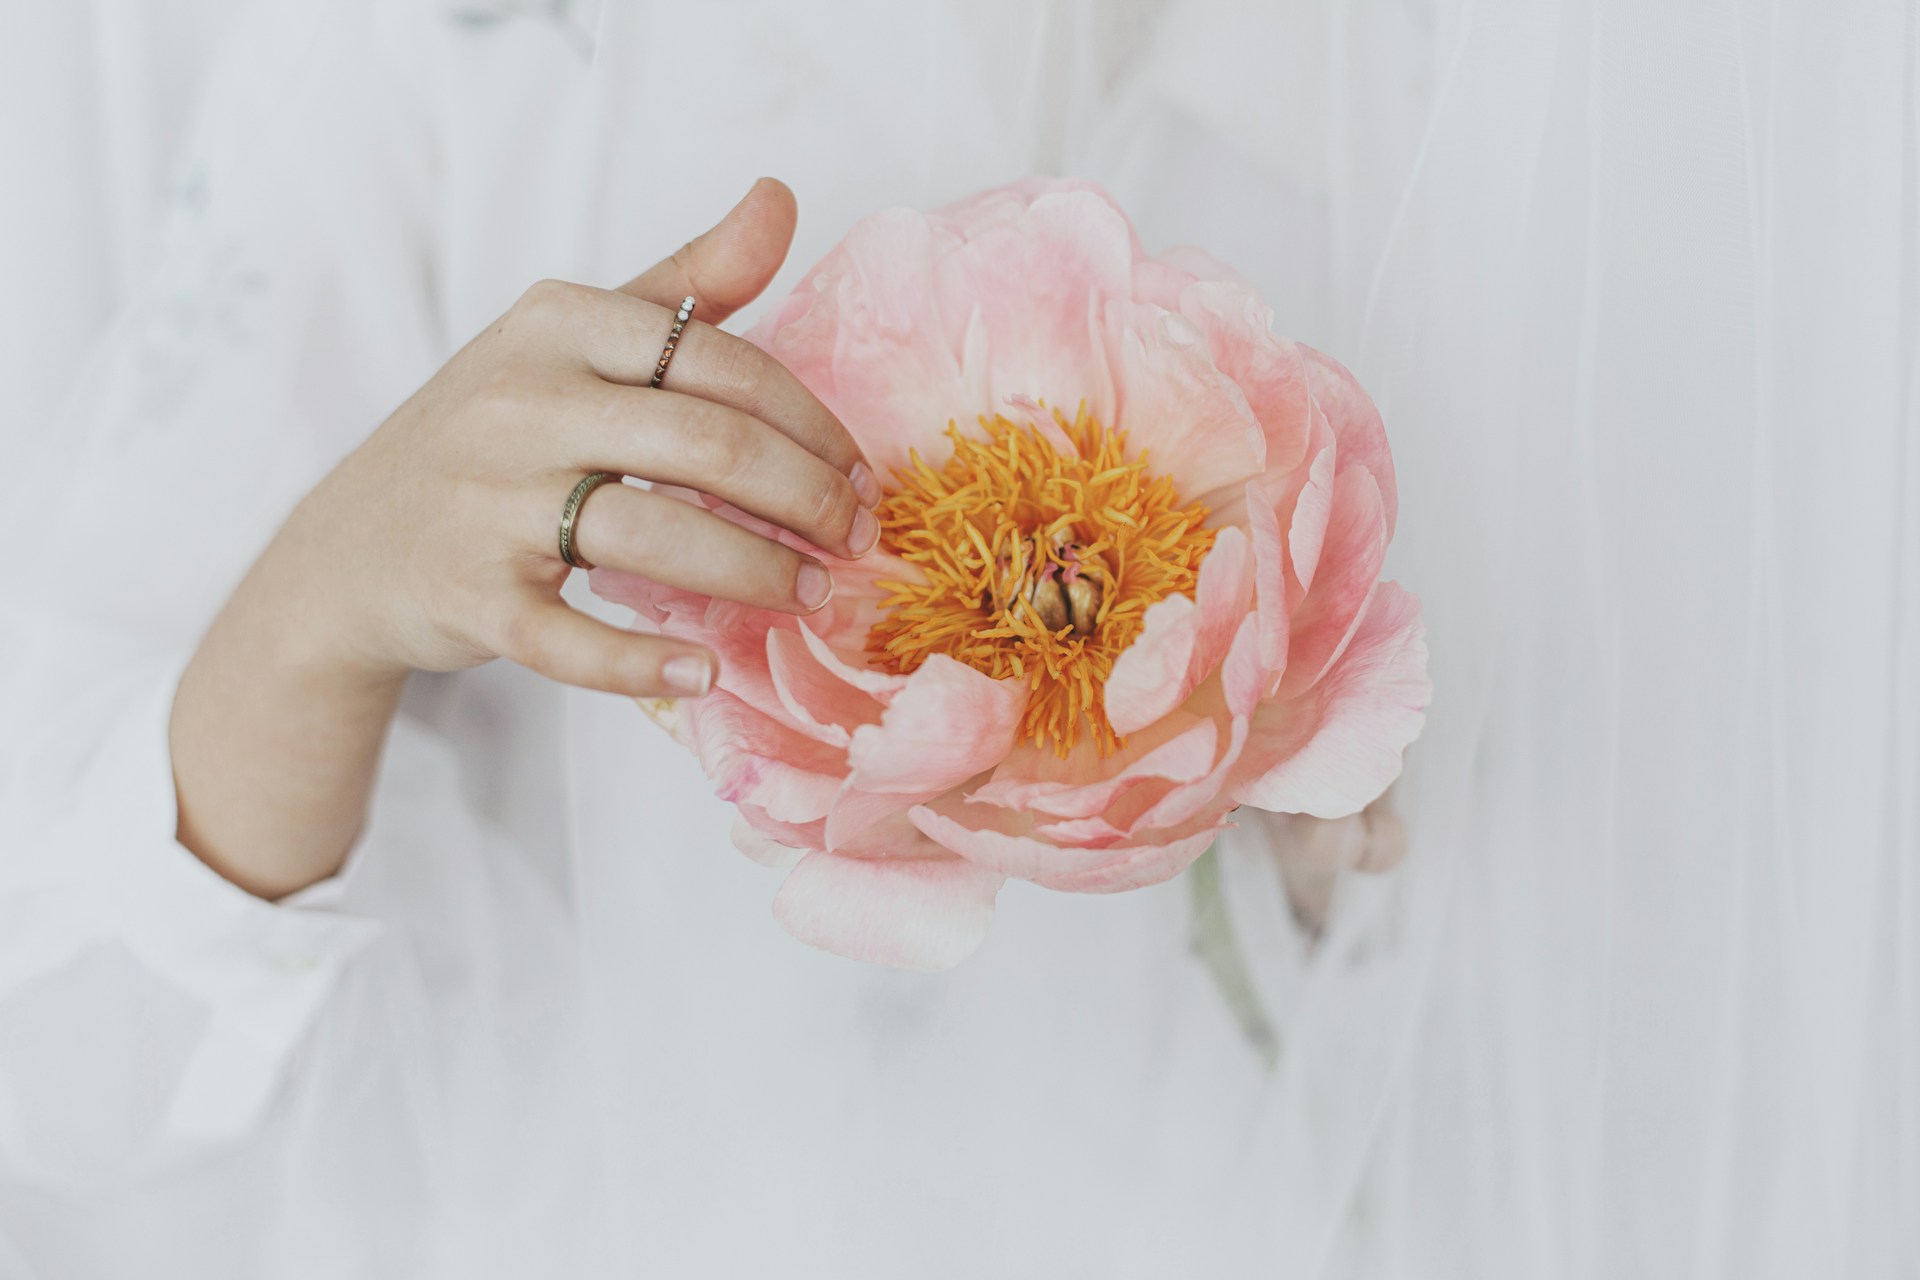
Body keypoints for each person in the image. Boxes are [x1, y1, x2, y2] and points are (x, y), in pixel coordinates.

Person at [3, 2, 1914, 1277]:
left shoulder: (1490, 85)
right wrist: (325, 602)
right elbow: (70, 1068)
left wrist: (1340, 806)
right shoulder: (446, 52)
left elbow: (1723, 1021)